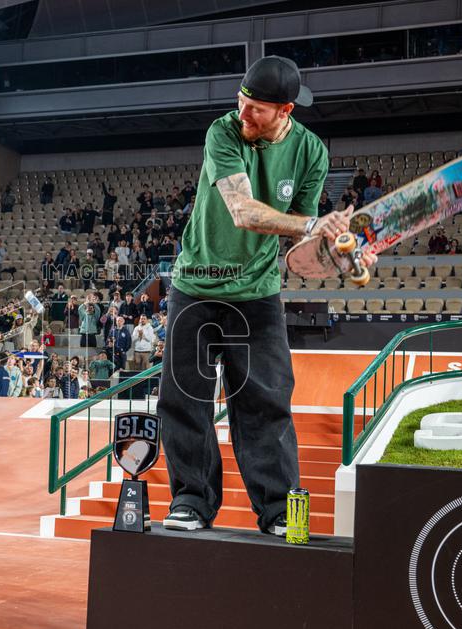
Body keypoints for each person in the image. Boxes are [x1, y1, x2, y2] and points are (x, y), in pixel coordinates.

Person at [158, 56, 376, 536]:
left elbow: (300, 244)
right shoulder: (223, 132)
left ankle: (283, 514)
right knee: (184, 399)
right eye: (241, 103)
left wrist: (340, 254)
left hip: (257, 294)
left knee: (269, 402)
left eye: (255, 109)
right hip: (195, 286)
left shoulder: (311, 152)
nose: (243, 115)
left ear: (286, 111)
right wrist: (312, 224)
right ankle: (191, 502)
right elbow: (241, 210)